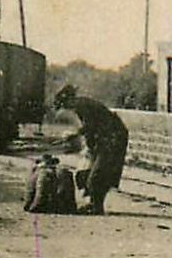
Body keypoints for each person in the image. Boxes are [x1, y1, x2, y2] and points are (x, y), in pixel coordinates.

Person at [50, 84, 129, 215]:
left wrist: (75, 134)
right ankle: (93, 204)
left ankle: (96, 207)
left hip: (114, 138)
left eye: (63, 106)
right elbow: (92, 130)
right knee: (87, 172)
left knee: (98, 173)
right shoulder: (81, 105)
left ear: (67, 101)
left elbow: (90, 125)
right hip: (106, 139)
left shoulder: (81, 105)